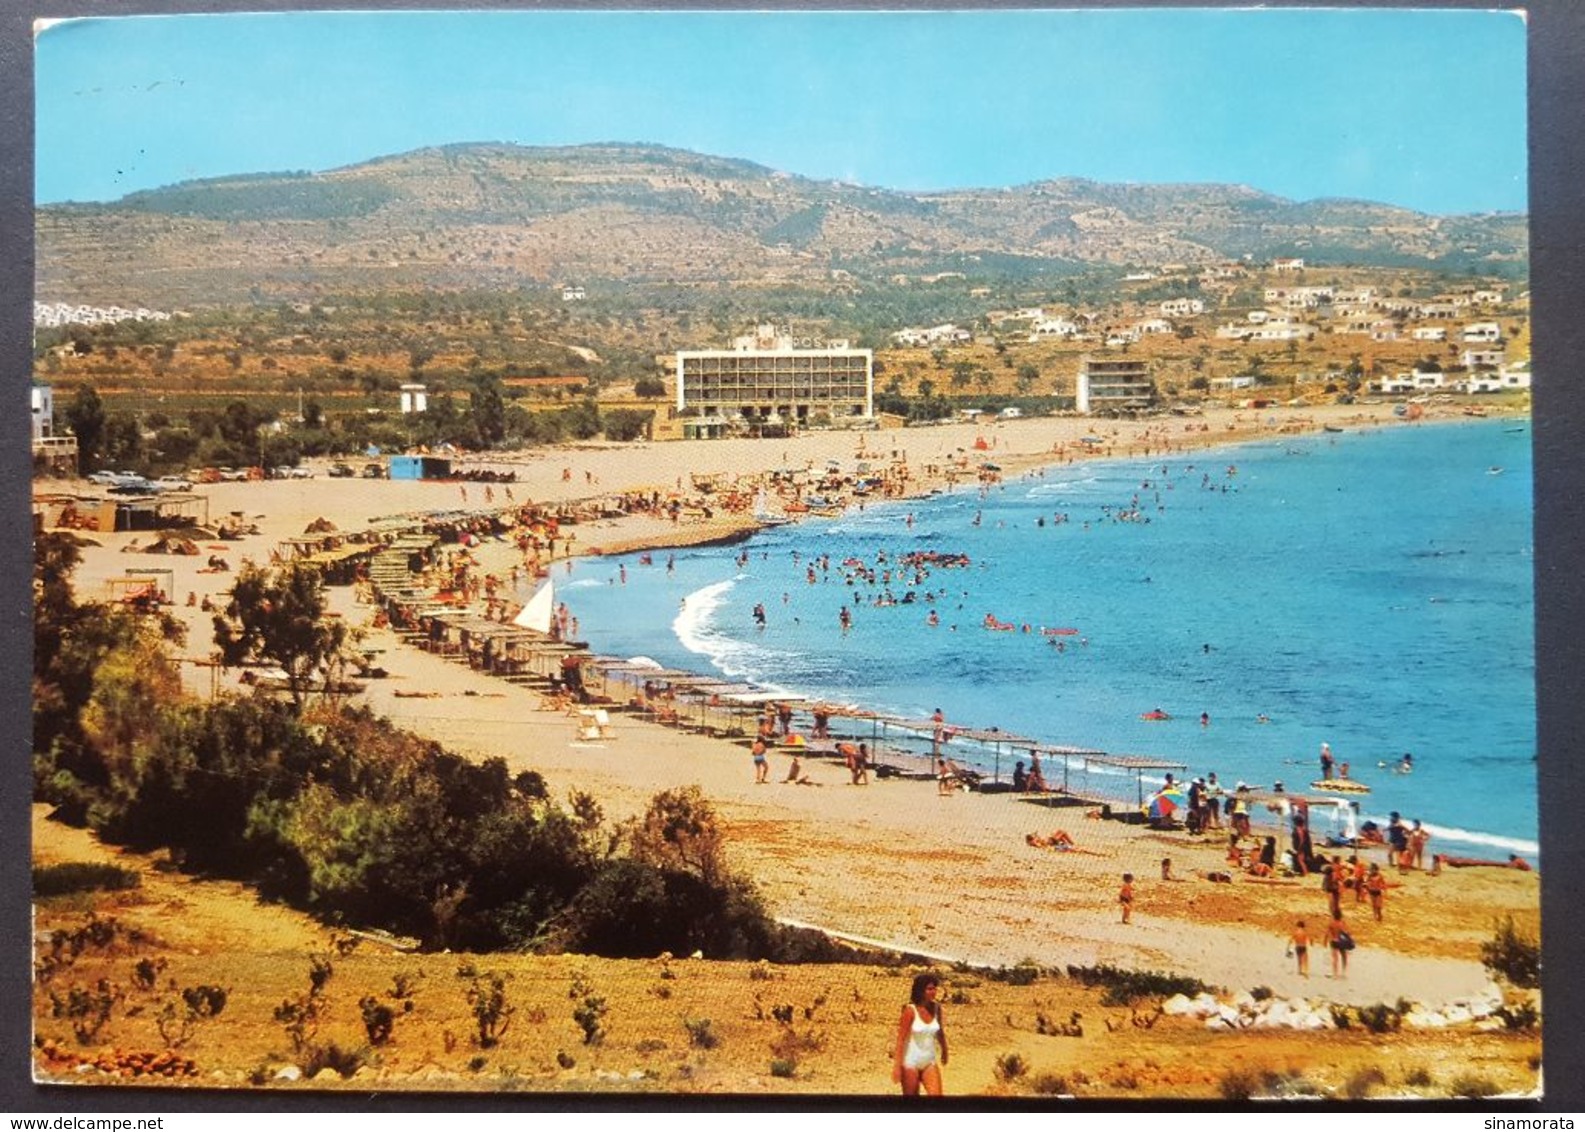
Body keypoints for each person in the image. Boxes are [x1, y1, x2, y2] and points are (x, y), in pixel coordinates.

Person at [892, 974, 948, 1096]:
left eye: (934, 988)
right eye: (929, 989)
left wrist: (945, 1050)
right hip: (910, 1062)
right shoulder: (910, 1010)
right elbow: (901, 1039)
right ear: (921, 991)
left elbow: (940, 1032)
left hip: (929, 1061)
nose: (933, 992)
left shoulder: (937, 1008)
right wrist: (897, 1066)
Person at [1326, 912, 1352, 978]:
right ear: (1341, 917)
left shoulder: (1331, 923)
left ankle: (1335, 974)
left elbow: (1328, 933)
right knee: (1344, 956)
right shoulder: (1342, 923)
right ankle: (1344, 972)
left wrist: (1325, 941)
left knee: (1335, 958)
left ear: (1334, 916)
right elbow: (1347, 932)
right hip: (1341, 941)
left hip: (1334, 941)